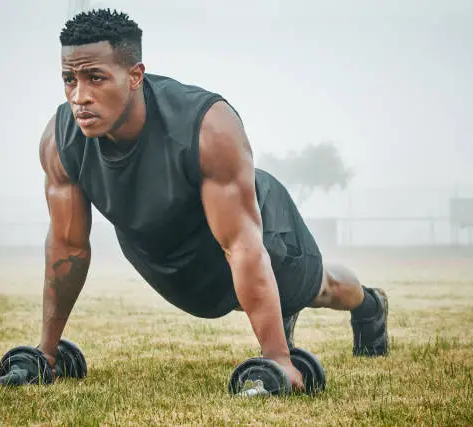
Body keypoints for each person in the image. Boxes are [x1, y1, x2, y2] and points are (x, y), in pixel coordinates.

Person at [37, 9, 389, 392]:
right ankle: (279, 315)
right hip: (167, 253)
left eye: (95, 78)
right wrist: (47, 353)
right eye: (69, 79)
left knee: (321, 288)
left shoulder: (207, 126)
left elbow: (242, 246)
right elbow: (68, 247)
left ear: (135, 76)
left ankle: (369, 306)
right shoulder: (61, 140)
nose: (79, 96)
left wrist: (278, 359)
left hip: (259, 232)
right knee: (243, 295)